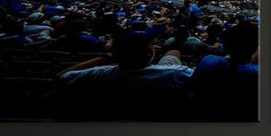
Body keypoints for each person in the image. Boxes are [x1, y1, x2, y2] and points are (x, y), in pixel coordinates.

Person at [55, 32, 193, 120]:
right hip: (158, 105)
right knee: (172, 53)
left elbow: (61, 76)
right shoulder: (176, 73)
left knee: (171, 54)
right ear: (149, 53)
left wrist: (105, 57)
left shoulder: (98, 74)